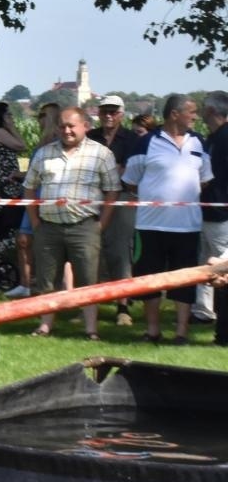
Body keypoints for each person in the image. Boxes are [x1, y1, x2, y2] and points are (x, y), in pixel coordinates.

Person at [123, 93, 213, 344]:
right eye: (191, 111)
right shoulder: (146, 143)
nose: (196, 116)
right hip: (150, 225)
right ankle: (152, 331)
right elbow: (130, 182)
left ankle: (181, 333)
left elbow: (204, 180)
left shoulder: (199, 143)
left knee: (184, 282)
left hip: (187, 227)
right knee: (150, 281)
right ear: (175, 114)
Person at [23, 106, 119, 339]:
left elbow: (112, 191)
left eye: (71, 126)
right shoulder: (44, 153)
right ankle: (44, 326)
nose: (66, 130)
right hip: (48, 227)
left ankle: (90, 330)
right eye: (62, 126)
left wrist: (100, 225)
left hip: (84, 226)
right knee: (46, 281)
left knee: (89, 282)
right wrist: (35, 222)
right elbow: (29, 188)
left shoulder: (102, 154)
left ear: (85, 126)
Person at [87, 94, 143, 325]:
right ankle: (92, 306)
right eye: (104, 111)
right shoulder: (90, 137)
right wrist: (114, 170)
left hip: (122, 199)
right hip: (93, 198)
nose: (108, 115)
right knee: (92, 253)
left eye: (113, 111)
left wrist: (114, 172)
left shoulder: (132, 139)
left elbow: (130, 172)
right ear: (99, 113)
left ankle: (123, 307)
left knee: (121, 252)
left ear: (121, 114)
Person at [191, 92, 228, 325]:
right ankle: (204, 311)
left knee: (222, 266)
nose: (200, 113)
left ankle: (223, 314)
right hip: (206, 212)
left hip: (222, 214)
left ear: (213, 111)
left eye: (203, 108)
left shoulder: (225, 137)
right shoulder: (213, 137)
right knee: (204, 262)